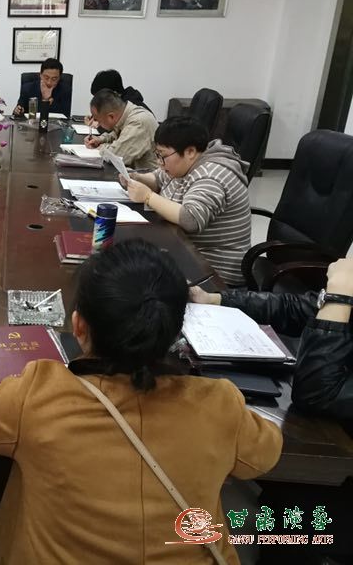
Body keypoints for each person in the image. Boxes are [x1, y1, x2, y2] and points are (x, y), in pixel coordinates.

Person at [0, 239, 282, 564]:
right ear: (175, 332)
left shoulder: (40, 394)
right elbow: (266, 453)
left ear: (79, 326)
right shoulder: (219, 405)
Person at [190, 257, 353, 429]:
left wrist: (338, 298)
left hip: (333, 435)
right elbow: (293, 309)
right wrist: (215, 299)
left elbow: (315, 395)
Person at [122, 116, 251, 286]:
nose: (160, 163)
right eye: (157, 155)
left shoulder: (211, 175)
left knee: (130, 273)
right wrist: (137, 178)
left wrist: (148, 196)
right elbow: (159, 178)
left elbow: (190, 219)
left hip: (214, 270)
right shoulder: (184, 164)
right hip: (185, 248)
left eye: (163, 156)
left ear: (190, 152)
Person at [86, 89, 159, 169]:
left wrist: (100, 147)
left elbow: (117, 156)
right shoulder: (126, 115)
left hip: (148, 175)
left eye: (98, 120)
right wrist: (100, 139)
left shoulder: (138, 122)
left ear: (111, 116)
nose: (98, 124)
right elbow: (119, 134)